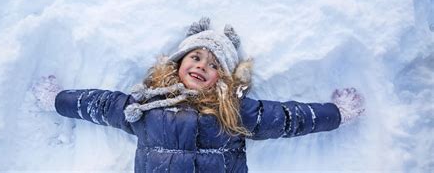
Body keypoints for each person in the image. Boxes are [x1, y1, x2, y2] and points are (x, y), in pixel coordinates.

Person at [32, 17, 365, 173]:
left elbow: (287, 119)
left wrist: (336, 113)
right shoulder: (145, 106)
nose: (202, 65)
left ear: (223, 77)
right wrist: (57, 99)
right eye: (195, 57)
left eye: (213, 63)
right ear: (178, 63)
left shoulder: (233, 113)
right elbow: (102, 104)